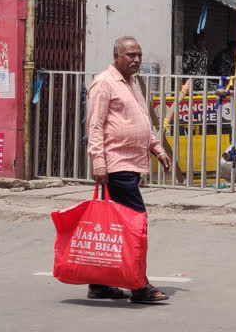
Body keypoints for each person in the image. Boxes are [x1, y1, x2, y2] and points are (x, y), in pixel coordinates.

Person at [87, 36, 172, 304]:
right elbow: (95, 126)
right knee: (136, 225)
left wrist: (157, 148)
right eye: (130, 55)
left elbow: (141, 122)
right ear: (116, 56)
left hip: (132, 165)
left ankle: (99, 285)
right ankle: (138, 285)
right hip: (116, 166)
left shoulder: (133, 84)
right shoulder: (104, 83)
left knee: (118, 227)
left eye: (139, 55)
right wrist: (99, 162)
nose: (136, 60)